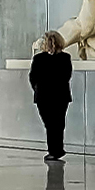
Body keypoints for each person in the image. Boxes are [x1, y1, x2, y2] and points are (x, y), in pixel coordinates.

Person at [30, 30, 73, 162]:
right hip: (61, 96)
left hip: (43, 96)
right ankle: (57, 149)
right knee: (59, 123)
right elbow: (67, 76)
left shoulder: (38, 59)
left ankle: (54, 150)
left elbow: (33, 77)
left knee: (49, 124)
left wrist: (37, 89)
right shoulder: (65, 58)